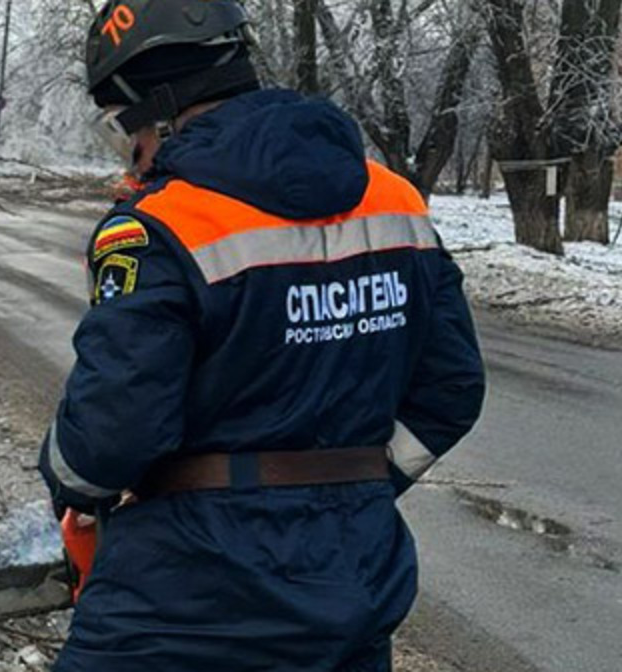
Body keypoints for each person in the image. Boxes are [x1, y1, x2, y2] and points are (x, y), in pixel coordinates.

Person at [36, 2, 486, 670]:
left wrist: (73, 489)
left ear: (158, 109)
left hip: (185, 598)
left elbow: (110, 435)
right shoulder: (395, 202)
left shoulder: (161, 225)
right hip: (354, 578)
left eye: (122, 128)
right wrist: (360, 482)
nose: (130, 152)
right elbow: (451, 388)